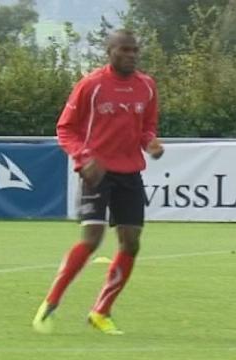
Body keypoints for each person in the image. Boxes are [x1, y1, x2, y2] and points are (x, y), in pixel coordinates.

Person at [32, 29, 164, 335]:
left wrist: (151, 143)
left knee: (131, 242)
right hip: (97, 171)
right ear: (110, 52)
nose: (131, 55)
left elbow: (148, 126)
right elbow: (65, 129)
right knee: (91, 239)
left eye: (135, 50)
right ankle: (50, 303)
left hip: (130, 172)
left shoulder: (147, 86)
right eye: (125, 50)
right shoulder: (91, 85)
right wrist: (83, 158)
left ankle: (101, 312)